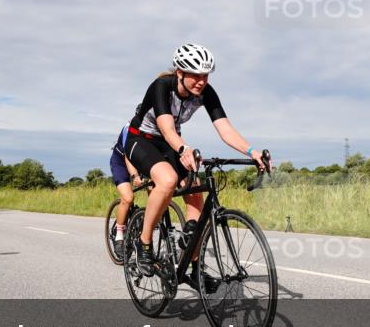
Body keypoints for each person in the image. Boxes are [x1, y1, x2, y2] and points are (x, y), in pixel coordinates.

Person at [123, 43, 267, 291]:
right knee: (167, 181)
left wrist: (251, 151)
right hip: (141, 140)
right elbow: (167, 129)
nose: (202, 81)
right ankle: (144, 244)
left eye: (205, 75)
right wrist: (184, 150)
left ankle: (191, 259)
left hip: (170, 143)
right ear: (180, 72)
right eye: (195, 75)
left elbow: (225, 128)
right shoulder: (162, 86)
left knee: (196, 190)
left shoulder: (206, 92)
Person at [108, 124, 144, 264]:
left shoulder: (154, 129)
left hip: (141, 160)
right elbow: (128, 158)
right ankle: (119, 234)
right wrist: (135, 175)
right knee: (128, 198)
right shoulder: (129, 129)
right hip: (121, 162)